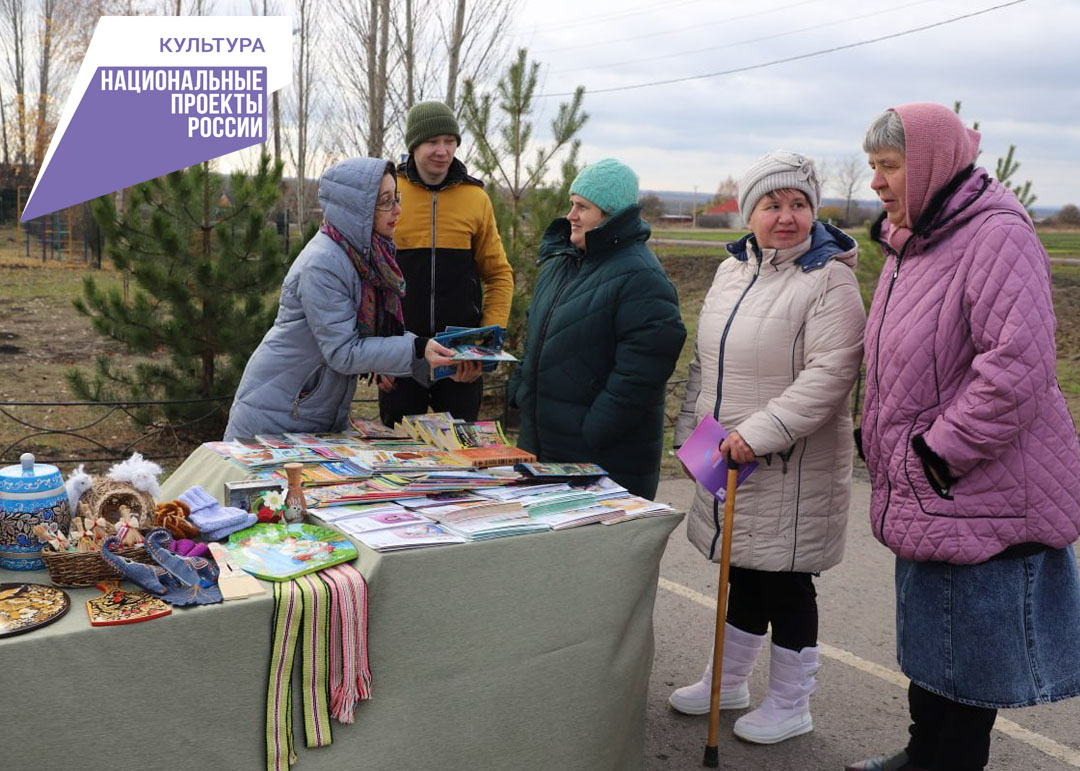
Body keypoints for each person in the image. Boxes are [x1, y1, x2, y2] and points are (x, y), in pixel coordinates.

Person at [847, 103, 1080, 771]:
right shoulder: (914, 240)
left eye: (889, 167)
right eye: (873, 168)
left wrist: (935, 452)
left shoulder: (994, 235)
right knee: (934, 642)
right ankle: (923, 753)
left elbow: (1017, 367)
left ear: (930, 166)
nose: (877, 183)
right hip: (933, 486)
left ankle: (943, 760)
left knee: (967, 657)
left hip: (974, 483)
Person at [668, 151, 866, 745]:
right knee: (743, 571)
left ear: (814, 211)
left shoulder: (830, 279)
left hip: (788, 461)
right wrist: (691, 435)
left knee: (787, 578)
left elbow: (831, 374)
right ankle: (728, 681)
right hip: (724, 452)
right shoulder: (734, 272)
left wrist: (756, 434)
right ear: (749, 213)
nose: (787, 216)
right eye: (772, 204)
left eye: (799, 204)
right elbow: (707, 363)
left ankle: (791, 701)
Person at [224, 157, 474, 441]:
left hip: (310, 416)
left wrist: (434, 362)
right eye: (385, 201)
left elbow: (378, 338)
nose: (397, 210)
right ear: (358, 210)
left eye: (396, 198)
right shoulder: (323, 263)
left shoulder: (367, 258)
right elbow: (344, 352)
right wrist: (418, 349)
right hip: (275, 417)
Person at [507, 158, 685, 499]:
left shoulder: (641, 277)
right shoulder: (562, 261)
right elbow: (536, 336)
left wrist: (593, 430)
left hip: (601, 461)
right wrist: (520, 391)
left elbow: (642, 371)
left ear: (611, 214)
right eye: (572, 204)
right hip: (542, 450)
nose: (570, 215)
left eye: (582, 207)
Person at [377, 100, 514, 426]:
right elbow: (369, 277)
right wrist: (375, 353)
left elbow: (499, 275)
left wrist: (487, 344)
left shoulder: (476, 199)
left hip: (460, 362)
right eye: (432, 142)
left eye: (449, 141)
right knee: (397, 460)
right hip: (400, 356)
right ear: (414, 146)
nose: (442, 150)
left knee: (458, 464)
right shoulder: (388, 191)